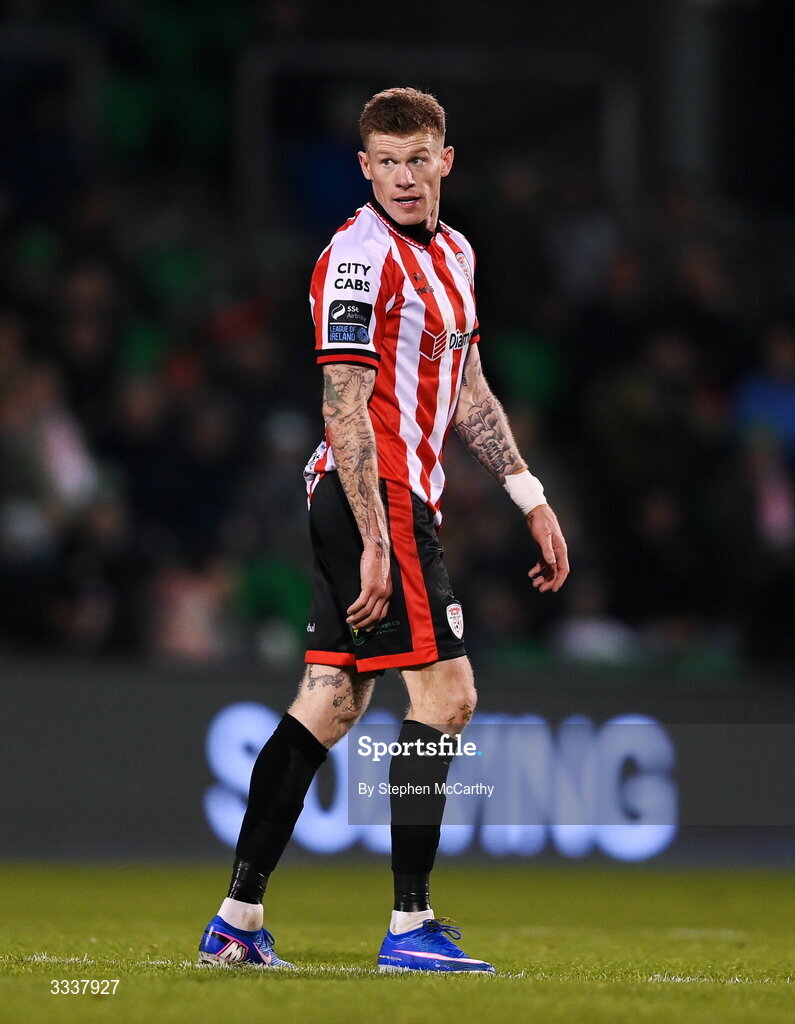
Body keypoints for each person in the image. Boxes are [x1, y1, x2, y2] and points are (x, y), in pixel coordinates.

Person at [198, 87, 569, 974]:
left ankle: (236, 921)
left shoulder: (456, 253)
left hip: (394, 500)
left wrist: (528, 494)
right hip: (378, 496)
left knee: (329, 703)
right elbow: (345, 406)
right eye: (385, 162)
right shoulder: (359, 259)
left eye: (418, 158)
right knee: (446, 698)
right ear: (364, 169)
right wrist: (373, 532)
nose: (403, 177)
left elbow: (470, 390)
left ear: (445, 159)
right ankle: (411, 927)